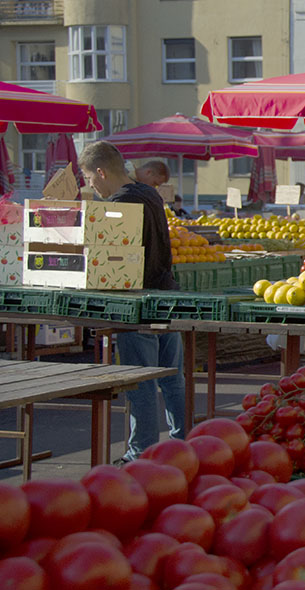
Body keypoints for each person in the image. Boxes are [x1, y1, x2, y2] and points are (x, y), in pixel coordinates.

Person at [79, 141, 185, 463]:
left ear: (101, 171)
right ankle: (181, 444)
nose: (90, 185)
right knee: (172, 379)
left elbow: (108, 257)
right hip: (166, 295)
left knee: (140, 384)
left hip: (135, 302)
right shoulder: (148, 193)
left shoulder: (120, 204)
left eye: (88, 178)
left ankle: (142, 454)